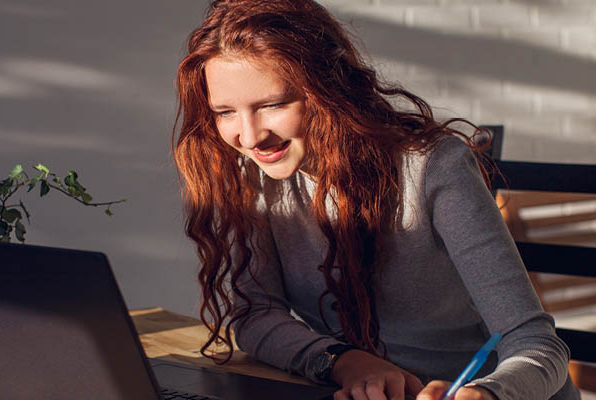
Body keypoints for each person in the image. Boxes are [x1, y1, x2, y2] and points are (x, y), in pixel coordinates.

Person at [172, 1, 580, 399]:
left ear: (328, 88)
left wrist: (488, 393)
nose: (249, 136)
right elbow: (256, 314)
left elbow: (536, 344)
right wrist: (345, 362)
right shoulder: (253, 175)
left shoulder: (433, 167)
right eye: (224, 112)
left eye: (274, 105)